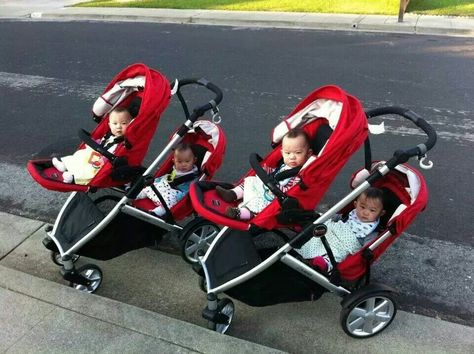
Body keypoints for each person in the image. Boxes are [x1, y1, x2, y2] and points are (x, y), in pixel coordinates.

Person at [216, 128, 313, 220]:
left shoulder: (299, 174)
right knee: (251, 181)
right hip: (267, 187)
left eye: (298, 152)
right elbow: (276, 172)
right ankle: (232, 194)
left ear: (308, 154)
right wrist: (266, 171)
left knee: (256, 207)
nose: (292, 157)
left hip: (274, 198)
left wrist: (276, 187)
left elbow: (291, 190)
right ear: (282, 153)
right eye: (288, 153)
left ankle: (239, 213)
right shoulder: (284, 165)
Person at [296, 187, 386, 272]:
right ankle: (306, 233)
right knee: (322, 230)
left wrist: (366, 252)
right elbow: (336, 218)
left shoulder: (371, 232)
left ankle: (325, 263)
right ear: (355, 204)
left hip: (344, 246)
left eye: (372, 210)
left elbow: (368, 246)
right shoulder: (351, 215)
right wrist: (324, 217)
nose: (366, 212)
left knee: (336, 254)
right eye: (362, 207)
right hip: (332, 234)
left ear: (381, 213)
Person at [52, 107, 132, 185]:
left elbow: (116, 154)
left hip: (103, 161)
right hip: (95, 153)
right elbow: (99, 142)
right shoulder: (108, 135)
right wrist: (93, 143)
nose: (118, 126)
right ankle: (65, 165)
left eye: (123, 123)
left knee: (91, 171)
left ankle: (73, 178)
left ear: (130, 124)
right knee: (80, 155)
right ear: (109, 125)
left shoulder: (124, 143)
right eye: (115, 123)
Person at [136, 143, 199, 216]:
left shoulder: (192, 176)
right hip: (165, 186)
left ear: (194, 160)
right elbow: (167, 177)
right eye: (179, 162)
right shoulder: (175, 170)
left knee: (170, 201)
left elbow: (188, 190)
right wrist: (156, 180)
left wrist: (179, 196)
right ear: (174, 161)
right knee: (149, 188)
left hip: (176, 193)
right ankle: (137, 195)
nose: (183, 164)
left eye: (187, 161)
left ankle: (156, 212)